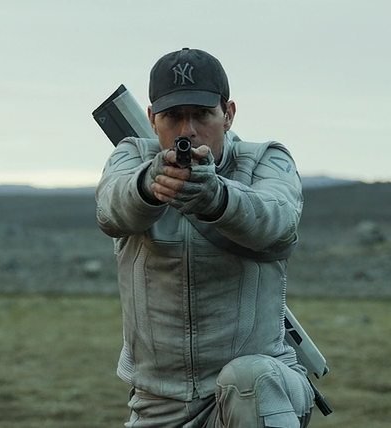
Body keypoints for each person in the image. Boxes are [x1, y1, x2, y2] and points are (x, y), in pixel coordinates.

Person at [95, 48, 314, 427]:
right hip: (156, 403)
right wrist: (149, 185)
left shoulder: (267, 160)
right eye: (173, 116)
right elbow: (111, 209)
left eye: (201, 114)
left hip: (253, 395)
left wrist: (218, 198)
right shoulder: (131, 158)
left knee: (251, 380)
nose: (187, 130)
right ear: (151, 118)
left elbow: (277, 222)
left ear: (228, 114)